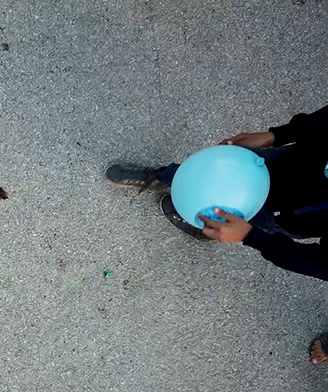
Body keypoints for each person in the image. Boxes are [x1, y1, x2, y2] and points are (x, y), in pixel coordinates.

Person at [106, 104, 328, 283]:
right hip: (284, 162)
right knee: (202, 177)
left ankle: (210, 227)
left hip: (287, 215)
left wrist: (250, 237)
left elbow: (322, 264)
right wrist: (277, 135)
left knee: (248, 219)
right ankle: (163, 176)